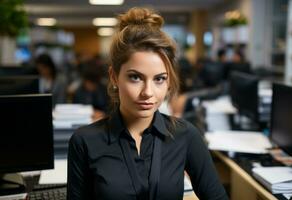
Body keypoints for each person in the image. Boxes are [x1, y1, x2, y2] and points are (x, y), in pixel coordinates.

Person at [67, 7, 228, 200]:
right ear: (114, 77)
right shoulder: (84, 141)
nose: (148, 93)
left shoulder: (185, 135)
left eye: (159, 79)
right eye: (135, 77)